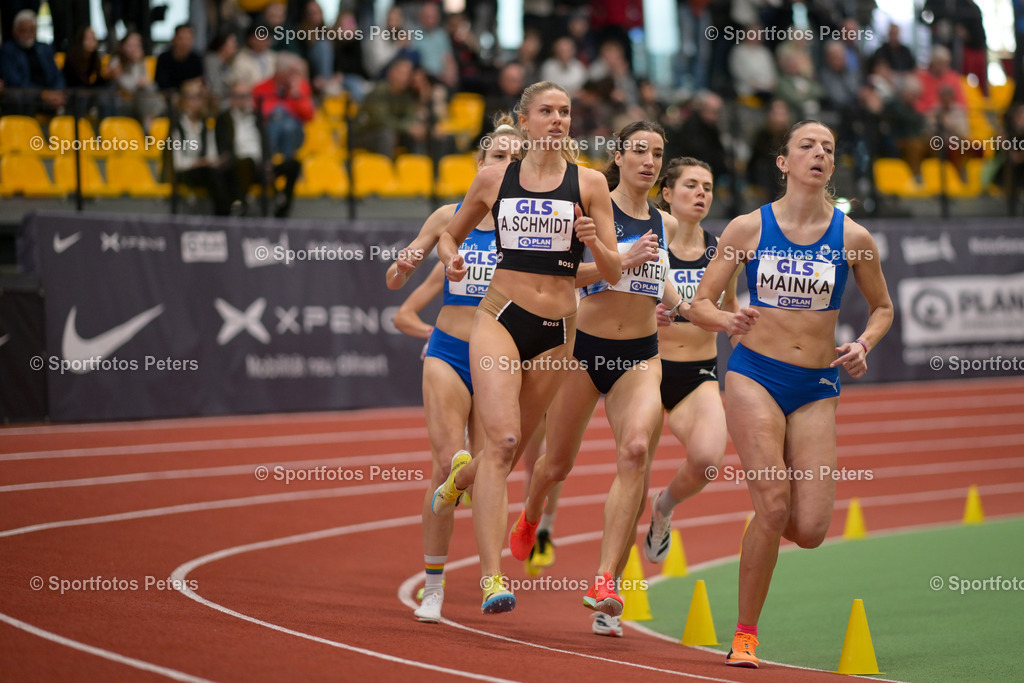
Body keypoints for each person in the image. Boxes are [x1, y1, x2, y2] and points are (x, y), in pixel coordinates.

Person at [687, 120, 893, 668]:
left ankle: (767, 521)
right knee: (774, 506)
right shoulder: (747, 228)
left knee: (811, 530)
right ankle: (746, 635)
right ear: (783, 162)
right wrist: (729, 317)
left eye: (828, 148)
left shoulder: (853, 238)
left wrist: (864, 343)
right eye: (807, 146)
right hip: (755, 374)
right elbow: (700, 302)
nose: (819, 154)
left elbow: (883, 308)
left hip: (817, 384)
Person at [432, 81, 622, 614]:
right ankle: (492, 578)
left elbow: (611, 272)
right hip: (499, 317)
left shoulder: (589, 183)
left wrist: (596, 242)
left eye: (565, 111)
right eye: (547, 111)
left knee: (509, 452)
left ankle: (458, 480)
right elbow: (451, 234)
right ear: (525, 119)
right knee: (505, 434)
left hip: (558, 327)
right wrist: (451, 257)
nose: (558, 120)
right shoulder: (496, 178)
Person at [507, 121, 675, 636]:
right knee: (554, 466)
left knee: (636, 454)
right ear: (619, 157)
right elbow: (562, 274)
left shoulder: (665, 222)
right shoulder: (589, 206)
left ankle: (606, 581)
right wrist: (617, 261)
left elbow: (668, 284)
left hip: (642, 355)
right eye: (639, 151)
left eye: (658, 154)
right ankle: (532, 512)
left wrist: (686, 307)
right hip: (582, 351)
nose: (649, 161)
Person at [385, 118, 522, 623]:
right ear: (479, 165)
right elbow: (397, 278)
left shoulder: (527, 224)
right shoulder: (449, 215)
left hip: (500, 356)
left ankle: (492, 579)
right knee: (450, 463)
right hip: (447, 348)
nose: (506, 166)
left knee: (492, 467)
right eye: (498, 156)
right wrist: (402, 265)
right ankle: (434, 586)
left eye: (515, 158)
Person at [642, 157, 738, 567]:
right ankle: (609, 595)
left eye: (708, 187)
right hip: (645, 368)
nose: (702, 193)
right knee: (632, 472)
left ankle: (663, 509)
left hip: (697, 374)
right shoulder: (646, 242)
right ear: (666, 193)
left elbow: (730, 310)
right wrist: (650, 313)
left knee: (707, 462)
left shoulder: (721, 251)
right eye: (691, 185)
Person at [215, 80, 301, 217]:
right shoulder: (224, 119)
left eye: (247, 96)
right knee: (246, 162)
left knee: (294, 165)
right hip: (237, 166)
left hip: (260, 166)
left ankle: (282, 207)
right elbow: (224, 147)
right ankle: (241, 205)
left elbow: (265, 143)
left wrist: (267, 162)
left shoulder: (256, 117)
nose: (244, 100)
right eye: (240, 96)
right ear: (232, 98)